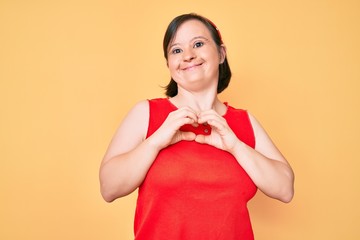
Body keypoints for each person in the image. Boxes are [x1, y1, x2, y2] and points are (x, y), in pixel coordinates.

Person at [99, 13, 294, 240]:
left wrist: (235, 145)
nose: (188, 56)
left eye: (198, 44)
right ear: (169, 64)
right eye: (176, 50)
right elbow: (109, 188)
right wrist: (156, 141)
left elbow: (285, 189)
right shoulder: (146, 113)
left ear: (221, 53)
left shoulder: (244, 122)